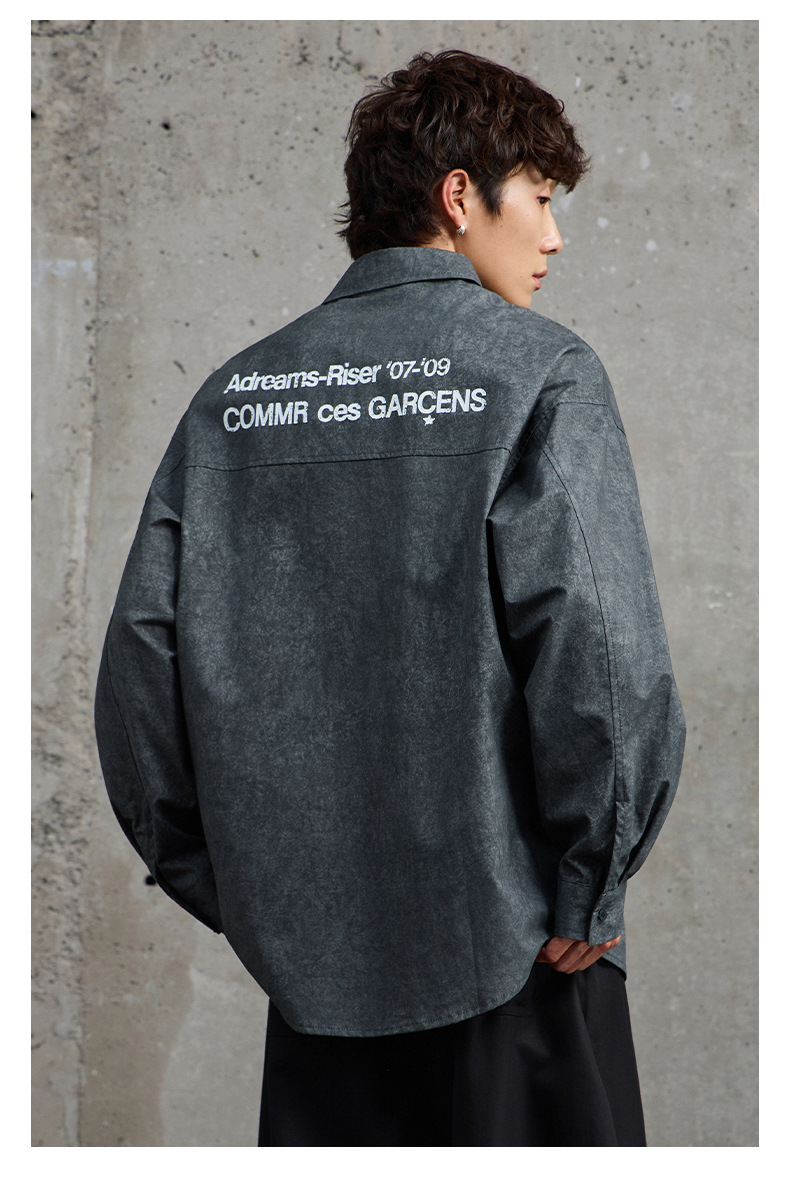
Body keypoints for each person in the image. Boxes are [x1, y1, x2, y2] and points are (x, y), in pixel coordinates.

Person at [94, 49, 685, 1146]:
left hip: (315, 1000)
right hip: (524, 963)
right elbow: (602, 656)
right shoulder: (539, 372)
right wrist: (591, 883)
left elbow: (140, 676)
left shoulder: (232, 400)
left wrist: (258, 899)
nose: (554, 237)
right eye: (540, 198)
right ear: (462, 196)